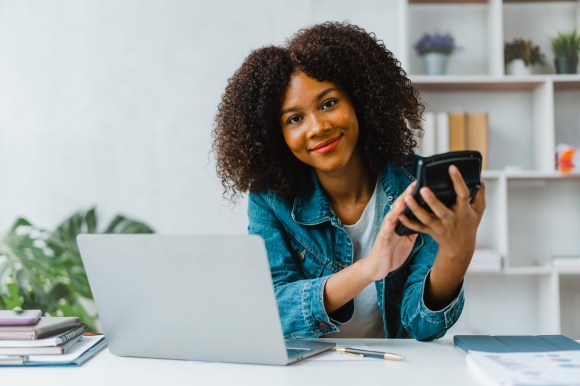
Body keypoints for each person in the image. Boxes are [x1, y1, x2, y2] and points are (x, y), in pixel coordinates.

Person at [212, 22, 485, 341]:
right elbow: (273, 312)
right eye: (295, 119)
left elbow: (422, 326)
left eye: (328, 103)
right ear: (277, 136)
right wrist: (371, 268)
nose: (317, 127)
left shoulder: (415, 186)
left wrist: (457, 252)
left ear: (360, 102)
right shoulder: (270, 200)